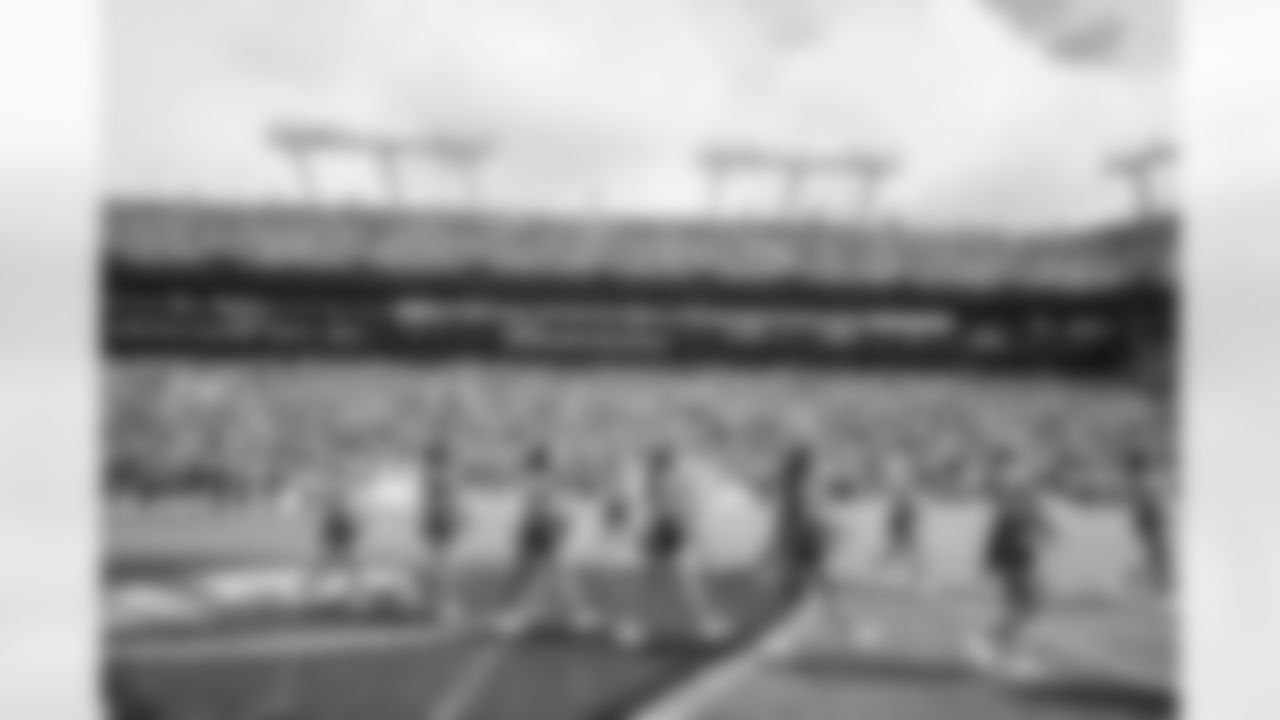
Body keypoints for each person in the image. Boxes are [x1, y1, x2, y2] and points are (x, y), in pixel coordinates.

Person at [623, 444, 730, 646]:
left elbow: (670, 510)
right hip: (662, 534)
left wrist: (679, 532)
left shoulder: (663, 481)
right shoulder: (655, 480)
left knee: (673, 581)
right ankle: (654, 626)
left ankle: (695, 625)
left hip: (667, 534)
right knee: (663, 582)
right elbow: (661, 510)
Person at [772, 443, 877, 648]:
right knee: (820, 592)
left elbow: (799, 520)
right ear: (805, 466)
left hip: (799, 545)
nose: (817, 466)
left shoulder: (793, 489)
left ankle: (787, 638)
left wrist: (831, 530)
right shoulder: (803, 488)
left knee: (805, 594)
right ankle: (851, 632)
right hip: (806, 545)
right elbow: (812, 518)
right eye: (813, 463)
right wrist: (835, 531)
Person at [497, 444, 600, 635]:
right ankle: (579, 615)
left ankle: (512, 615)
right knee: (554, 574)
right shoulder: (540, 483)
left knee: (533, 574)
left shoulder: (534, 482)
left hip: (537, 532)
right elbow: (542, 511)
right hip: (540, 532)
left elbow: (539, 510)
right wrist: (561, 525)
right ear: (544, 464)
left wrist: (557, 524)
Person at [973, 479, 1055, 678]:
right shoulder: (1013, 514)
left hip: (1019, 564)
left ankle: (997, 643)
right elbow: (1000, 542)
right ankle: (1003, 650)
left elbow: (1046, 531)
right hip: (1016, 565)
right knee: (1026, 606)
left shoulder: (1016, 513)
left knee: (1025, 607)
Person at [419, 440, 466, 623]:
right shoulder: (444, 476)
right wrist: (459, 519)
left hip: (435, 521)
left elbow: (429, 503)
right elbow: (449, 502)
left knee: (439, 563)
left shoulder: (430, 476)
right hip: (442, 521)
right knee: (445, 565)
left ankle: (438, 605)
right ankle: (445, 608)